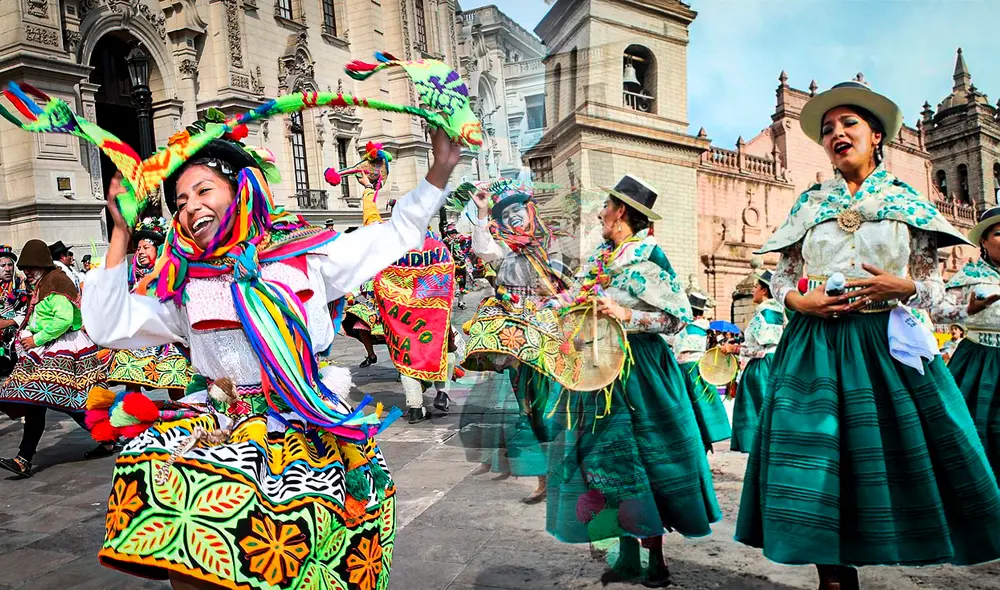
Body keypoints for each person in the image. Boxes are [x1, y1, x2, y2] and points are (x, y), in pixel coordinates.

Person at [83, 115, 461, 589]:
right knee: (194, 562)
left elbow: (396, 232)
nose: (190, 207)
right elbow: (108, 323)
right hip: (222, 436)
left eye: (203, 191)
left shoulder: (305, 259)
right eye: (180, 201)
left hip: (307, 433)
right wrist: (120, 230)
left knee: (295, 567)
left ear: (240, 189)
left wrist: (440, 169)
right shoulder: (183, 289)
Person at [735, 80, 1000, 589]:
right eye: (828, 128)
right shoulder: (809, 206)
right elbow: (784, 274)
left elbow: (936, 294)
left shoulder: (908, 203)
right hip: (814, 348)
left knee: (885, 462)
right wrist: (797, 299)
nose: (837, 134)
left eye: (849, 123)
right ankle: (832, 577)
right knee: (815, 464)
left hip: (885, 346)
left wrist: (905, 287)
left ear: (877, 135)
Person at [541, 175, 720, 588]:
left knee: (648, 459)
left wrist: (626, 316)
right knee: (606, 462)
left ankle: (656, 559)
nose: (601, 213)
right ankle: (625, 555)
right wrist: (551, 304)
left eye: (606, 206)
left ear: (620, 210)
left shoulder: (650, 256)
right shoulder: (599, 257)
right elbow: (575, 298)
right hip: (597, 370)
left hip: (640, 371)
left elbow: (676, 318)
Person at [460, 177, 566, 504]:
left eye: (516, 211)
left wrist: (554, 303)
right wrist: (481, 212)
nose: (512, 219)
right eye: (504, 214)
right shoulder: (505, 247)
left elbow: (563, 287)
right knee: (528, 411)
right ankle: (545, 480)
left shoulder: (549, 244)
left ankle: (565, 475)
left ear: (529, 210)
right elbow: (482, 248)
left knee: (553, 410)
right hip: (516, 340)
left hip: (550, 337)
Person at [0, 239, 111, 476]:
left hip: (64, 348)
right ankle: (24, 458)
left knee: (69, 401)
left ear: (41, 265)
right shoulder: (42, 283)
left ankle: (109, 436)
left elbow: (64, 319)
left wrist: (37, 339)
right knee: (37, 400)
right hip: (46, 348)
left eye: (31, 267)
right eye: (25, 268)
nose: (26, 272)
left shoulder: (56, 282)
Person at [934, 206, 1000, 477]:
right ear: (983, 241)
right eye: (999, 233)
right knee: (979, 430)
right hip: (979, 362)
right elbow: (938, 310)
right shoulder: (969, 278)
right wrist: (969, 309)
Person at [104, 217, 192, 401]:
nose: (141, 253)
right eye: (138, 249)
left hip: (167, 339)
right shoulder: (134, 278)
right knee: (129, 373)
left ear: (158, 250)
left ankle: (182, 413)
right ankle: (133, 414)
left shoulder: (169, 274)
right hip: (139, 338)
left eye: (146, 248)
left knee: (174, 381)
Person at [726, 269, 784, 453]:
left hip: (762, 368)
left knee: (759, 412)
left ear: (764, 291)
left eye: (756, 287)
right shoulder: (777, 313)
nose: (753, 291)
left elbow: (760, 350)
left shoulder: (764, 313)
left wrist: (733, 349)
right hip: (773, 364)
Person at [671, 291, 732, 450]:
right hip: (697, 369)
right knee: (700, 409)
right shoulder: (701, 327)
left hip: (688, 370)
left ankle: (698, 444)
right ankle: (703, 442)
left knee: (691, 409)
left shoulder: (691, 327)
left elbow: (680, 347)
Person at [0, 245, 29, 377]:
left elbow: (26, 314)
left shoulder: (22, 285)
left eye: (10, 265)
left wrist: (8, 322)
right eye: (3, 266)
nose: (7, 269)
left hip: (16, 335)